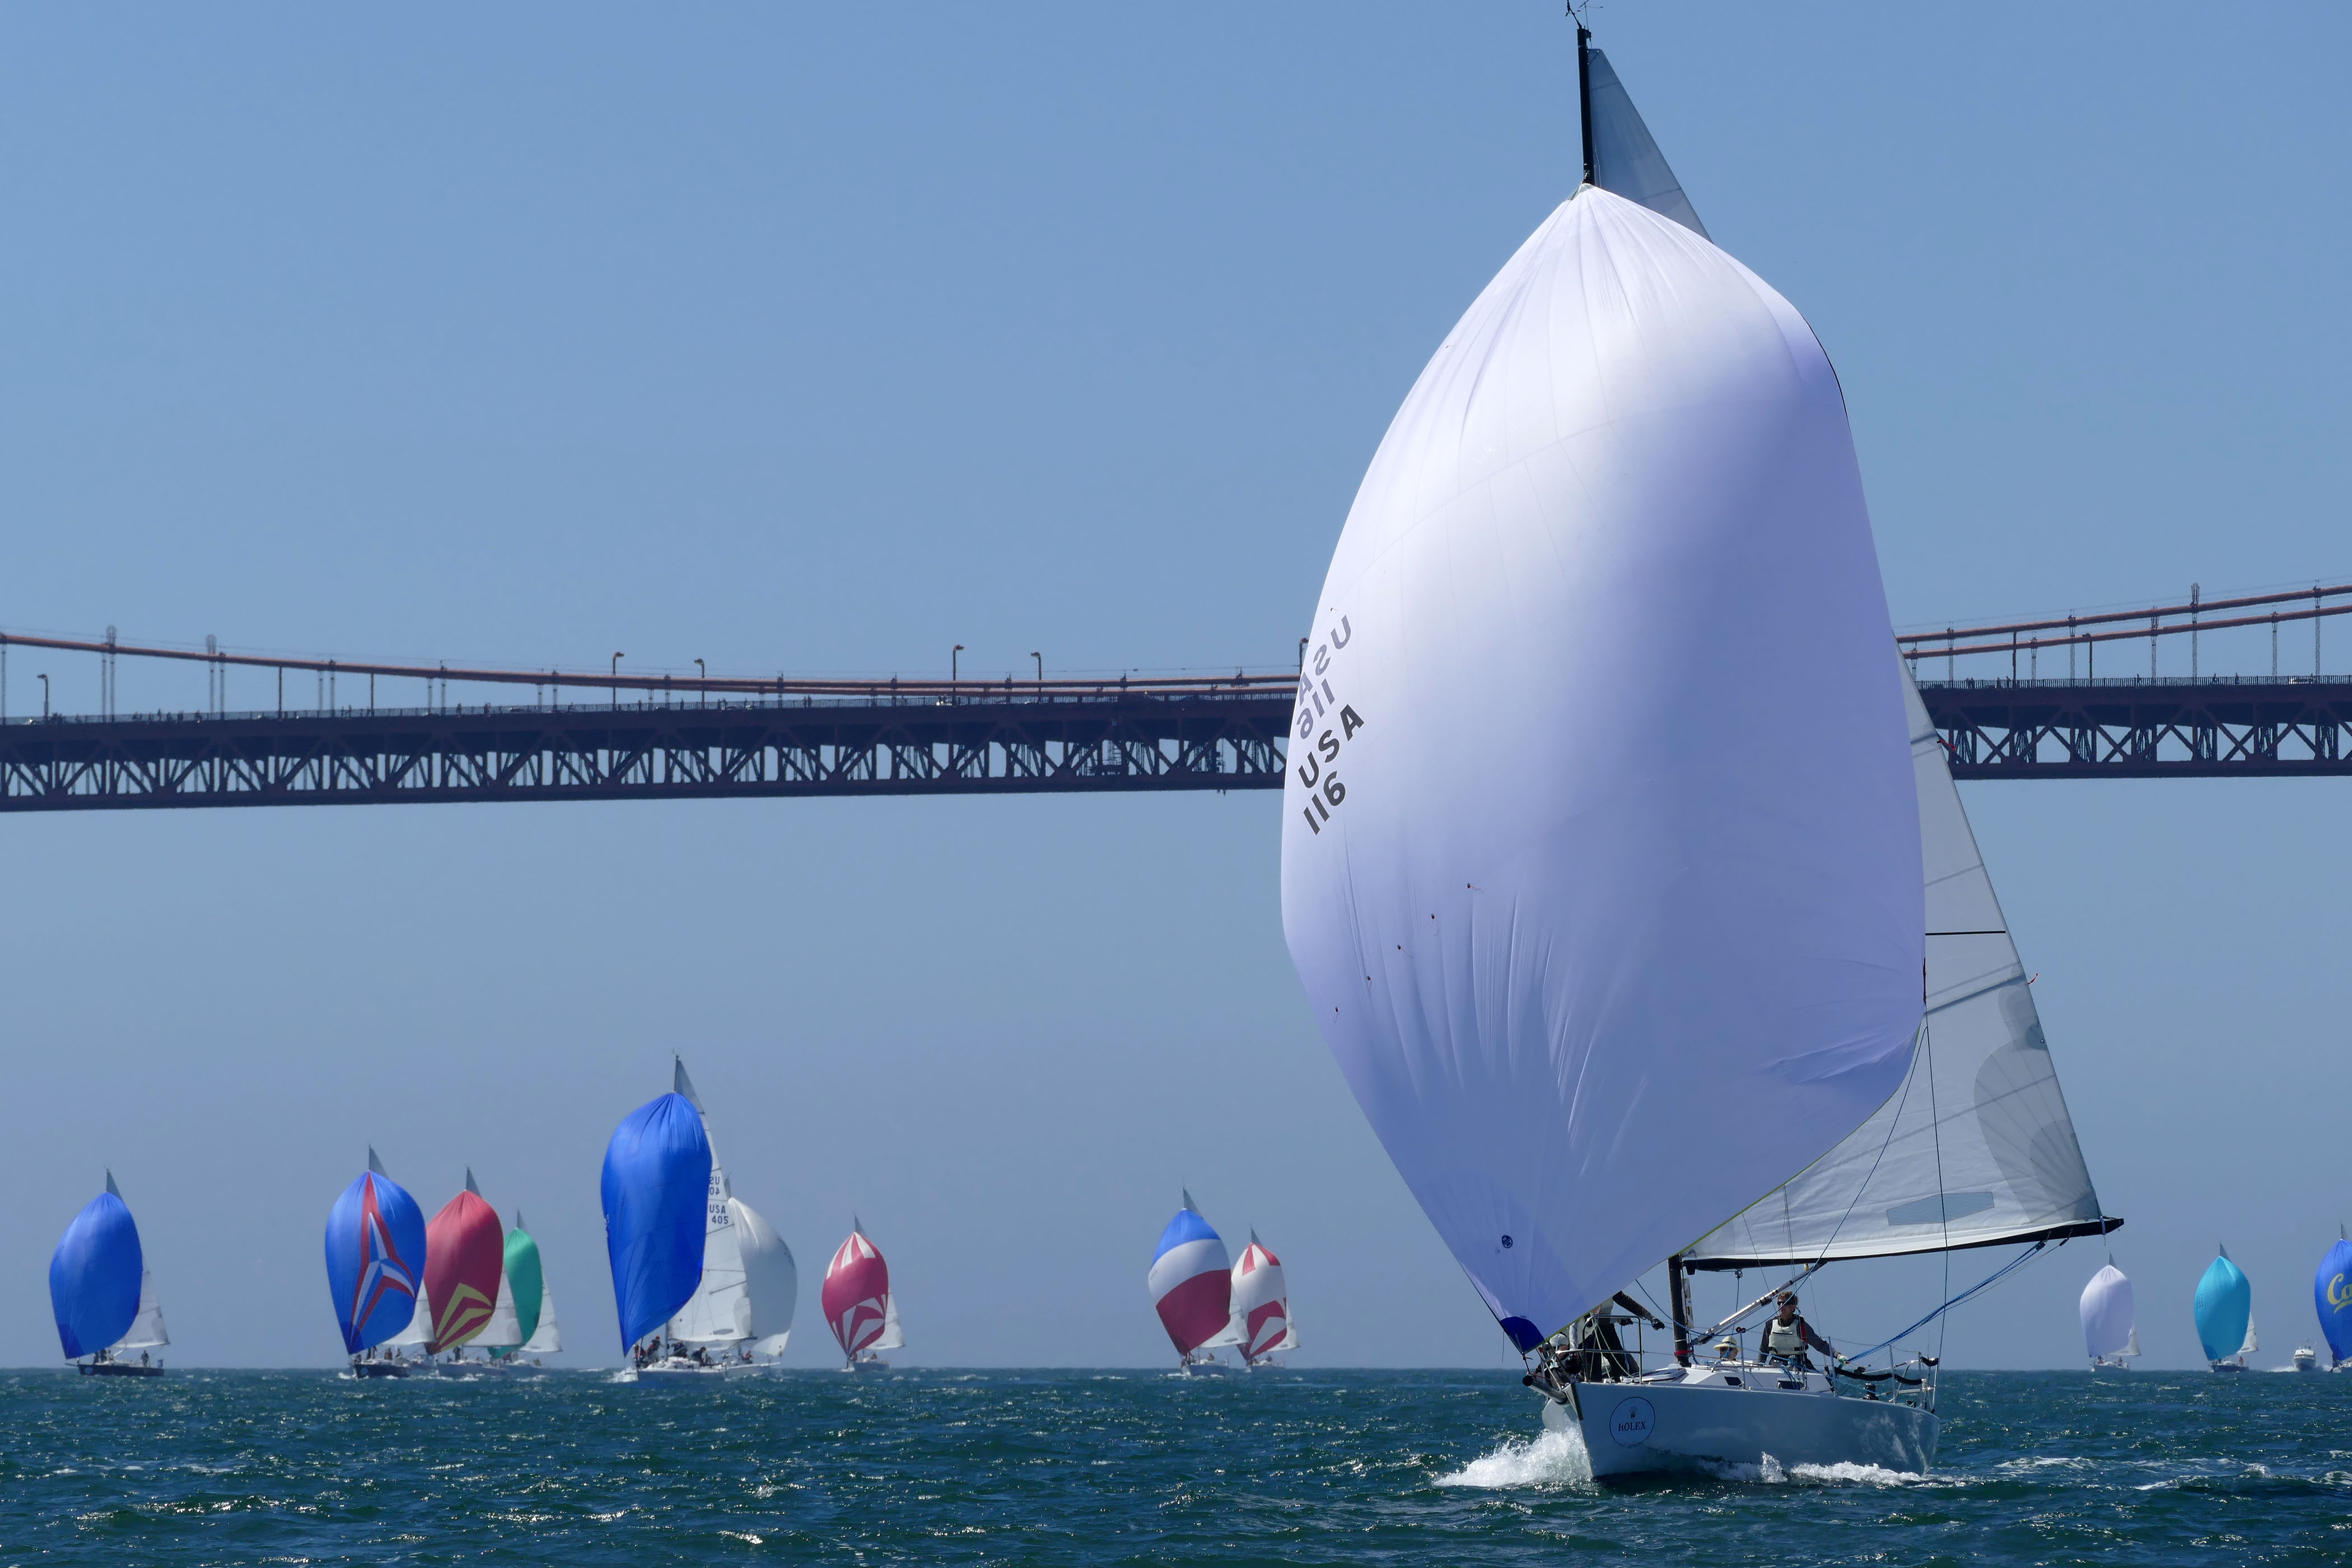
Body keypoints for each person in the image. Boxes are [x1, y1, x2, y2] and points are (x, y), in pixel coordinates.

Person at [1760, 1291, 1837, 1370]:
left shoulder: (1800, 1325)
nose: (1782, 1305)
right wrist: (1760, 1366)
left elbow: (1820, 1345)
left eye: (1786, 1303)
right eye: (1779, 1303)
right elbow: (1763, 1350)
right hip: (1775, 1365)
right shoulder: (1770, 1325)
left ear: (1793, 1307)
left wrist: (1838, 1355)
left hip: (1799, 1364)